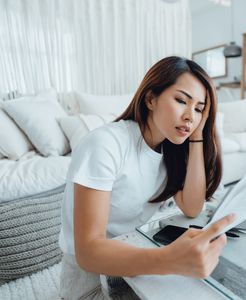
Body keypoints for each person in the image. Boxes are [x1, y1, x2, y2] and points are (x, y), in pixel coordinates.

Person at [58, 56, 235, 299]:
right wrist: (171, 260)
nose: (189, 116)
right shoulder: (105, 144)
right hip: (90, 280)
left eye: (198, 109)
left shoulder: (169, 150)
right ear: (151, 99)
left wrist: (196, 137)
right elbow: (88, 253)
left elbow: (193, 207)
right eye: (181, 101)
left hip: (136, 261)